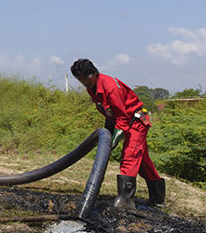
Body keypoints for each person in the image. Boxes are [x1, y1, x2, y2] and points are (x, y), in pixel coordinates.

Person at [70, 58, 165, 209]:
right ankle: (157, 197)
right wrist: (107, 134)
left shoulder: (111, 87)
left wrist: (112, 141)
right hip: (123, 121)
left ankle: (126, 200)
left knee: (130, 156)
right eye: (80, 80)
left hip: (135, 122)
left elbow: (122, 117)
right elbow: (109, 114)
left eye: (85, 79)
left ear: (93, 73)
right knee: (142, 161)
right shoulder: (92, 87)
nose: (84, 84)